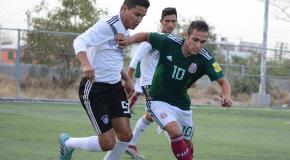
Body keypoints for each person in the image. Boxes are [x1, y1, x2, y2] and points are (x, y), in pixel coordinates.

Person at [117, 20, 232, 160]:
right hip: (157, 99)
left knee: (187, 143)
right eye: (195, 40)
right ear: (186, 35)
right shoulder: (169, 41)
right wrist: (129, 40)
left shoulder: (205, 58)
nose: (198, 45)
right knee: (174, 131)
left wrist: (226, 96)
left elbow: (223, 82)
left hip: (181, 104)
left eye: (203, 42)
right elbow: (146, 36)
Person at [58, 0, 150, 160]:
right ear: (124, 8)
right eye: (137, 14)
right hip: (94, 88)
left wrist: (126, 78)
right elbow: (79, 41)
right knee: (108, 142)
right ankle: (68, 143)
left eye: (142, 16)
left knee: (126, 135)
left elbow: (110, 58)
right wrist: (86, 64)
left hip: (115, 88)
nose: (139, 19)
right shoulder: (109, 25)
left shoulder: (125, 32)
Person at [125, 7, 178, 159]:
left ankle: (131, 143)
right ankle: (181, 152)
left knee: (151, 116)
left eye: (173, 21)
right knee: (166, 117)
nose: (170, 24)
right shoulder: (152, 39)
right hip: (149, 84)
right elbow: (134, 60)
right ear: (161, 21)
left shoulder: (173, 42)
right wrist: (127, 80)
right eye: (167, 21)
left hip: (162, 86)